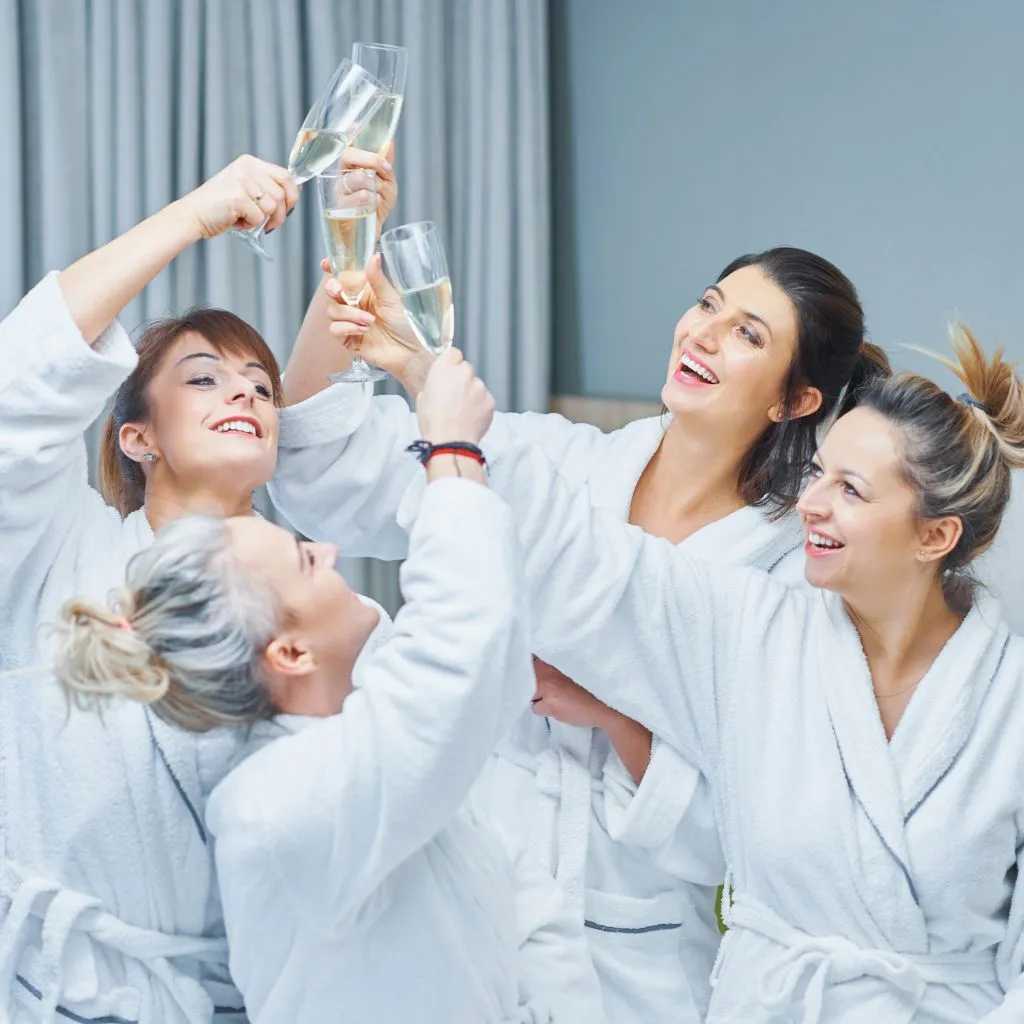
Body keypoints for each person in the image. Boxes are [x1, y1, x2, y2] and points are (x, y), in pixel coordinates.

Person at [268, 245, 889, 1021]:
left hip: (637, 960)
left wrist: (611, 713)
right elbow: (323, 469)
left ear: (794, 401)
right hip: (466, 909)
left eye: (747, 335)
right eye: (706, 304)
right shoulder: (553, 460)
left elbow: (754, 821)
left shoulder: (791, 573)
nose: (702, 333)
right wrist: (352, 273)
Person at [433, 326, 1024, 1023]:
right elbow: (593, 565)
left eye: (851, 491)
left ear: (935, 536)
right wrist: (453, 442)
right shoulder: (753, 633)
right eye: (817, 474)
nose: (809, 504)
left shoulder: (1007, 703)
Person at [54, 351, 605, 1024]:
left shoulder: (360, 757)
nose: (333, 551)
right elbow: (461, 654)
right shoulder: (283, 809)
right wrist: (451, 453)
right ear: (288, 650)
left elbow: (518, 899)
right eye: (307, 559)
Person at [0, 149, 388, 1022]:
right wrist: (195, 214)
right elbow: (16, 392)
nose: (244, 394)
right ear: (137, 438)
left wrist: (357, 245)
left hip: (239, 998)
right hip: (53, 992)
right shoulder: (52, 549)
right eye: (203, 379)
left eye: (259, 385)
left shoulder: (323, 602)